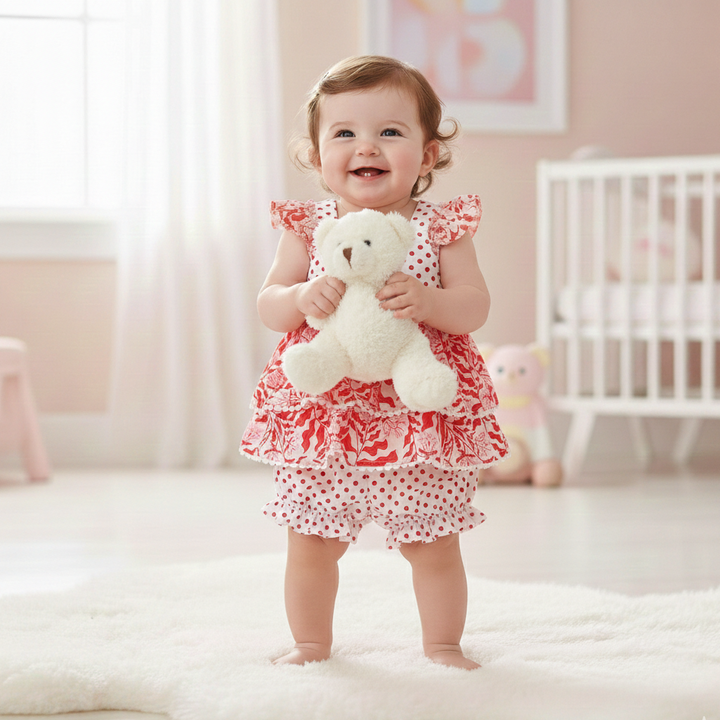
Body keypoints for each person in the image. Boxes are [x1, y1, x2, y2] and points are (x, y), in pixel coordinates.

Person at [241, 55, 507, 670]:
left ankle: (443, 644)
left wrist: (430, 301)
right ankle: (311, 643)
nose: (367, 146)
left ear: (428, 154)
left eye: (390, 131)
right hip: (327, 418)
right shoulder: (310, 228)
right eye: (345, 133)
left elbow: (474, 305)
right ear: (317, 157)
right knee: (312, 542)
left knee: (433, 545)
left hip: (418, 418)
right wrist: (299, 298)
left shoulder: (440, 228)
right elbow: (269, 304)